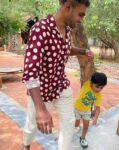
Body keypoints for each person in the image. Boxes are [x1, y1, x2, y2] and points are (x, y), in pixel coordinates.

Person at [22, 0, 92, 150]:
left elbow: (64, 49)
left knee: (68, 124)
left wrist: (82, 51)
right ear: (68, 7)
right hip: (40, 91)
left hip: (60, 86)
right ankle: (26, 145)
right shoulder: (40, 29)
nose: (81, 19)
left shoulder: (67, 30)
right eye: (80, 14)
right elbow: (30, 73)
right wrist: (40, 109)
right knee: (32, 126)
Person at [74, 71, 107, 148]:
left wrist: (95, 118)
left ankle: (82, 138)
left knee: (86, 126)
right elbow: (86, 72)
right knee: (76, 124)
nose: (99, 89)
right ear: (91, 83)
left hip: (86, 111)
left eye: (101, 87)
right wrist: (88, 60)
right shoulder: (86, 84)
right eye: (97, 86)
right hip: (76, 109)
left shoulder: (98, 95)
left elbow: (98, 108)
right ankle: (77, 125)